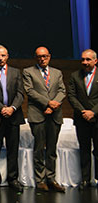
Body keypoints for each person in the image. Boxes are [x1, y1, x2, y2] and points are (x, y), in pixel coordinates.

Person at [23, 46, 66, 193]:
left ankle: (51, 178)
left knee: (52, 150)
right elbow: (30, 91)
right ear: (36, 57)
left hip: (54, 115)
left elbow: (62, 90)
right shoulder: (28, 72)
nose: (42, 59)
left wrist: (53, 105)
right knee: (39, 149)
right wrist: (48, 103)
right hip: (38, 115)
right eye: (39, 56)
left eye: (45, 56)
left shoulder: (57, 72)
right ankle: (40, 180)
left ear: (49, 56)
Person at [0, 45, 24, 193]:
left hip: (13, 117)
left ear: (7, 56)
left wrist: (12, 108)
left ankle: (13, 179)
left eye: (3, 55)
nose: (0, 58)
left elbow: (20, 94)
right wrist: (1, 108)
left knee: (13, 150)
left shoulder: (15, 72)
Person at [67, 49, 98, 190]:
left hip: (97, 118)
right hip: (82, 119)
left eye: (88, 59)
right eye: (83, 59)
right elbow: (71, 96)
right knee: (84, 150)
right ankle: (85, 179)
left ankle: (97, 178)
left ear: (95, 61)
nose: (85, 62)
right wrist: (83, 112)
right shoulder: (75, 76)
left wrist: (93, 112)